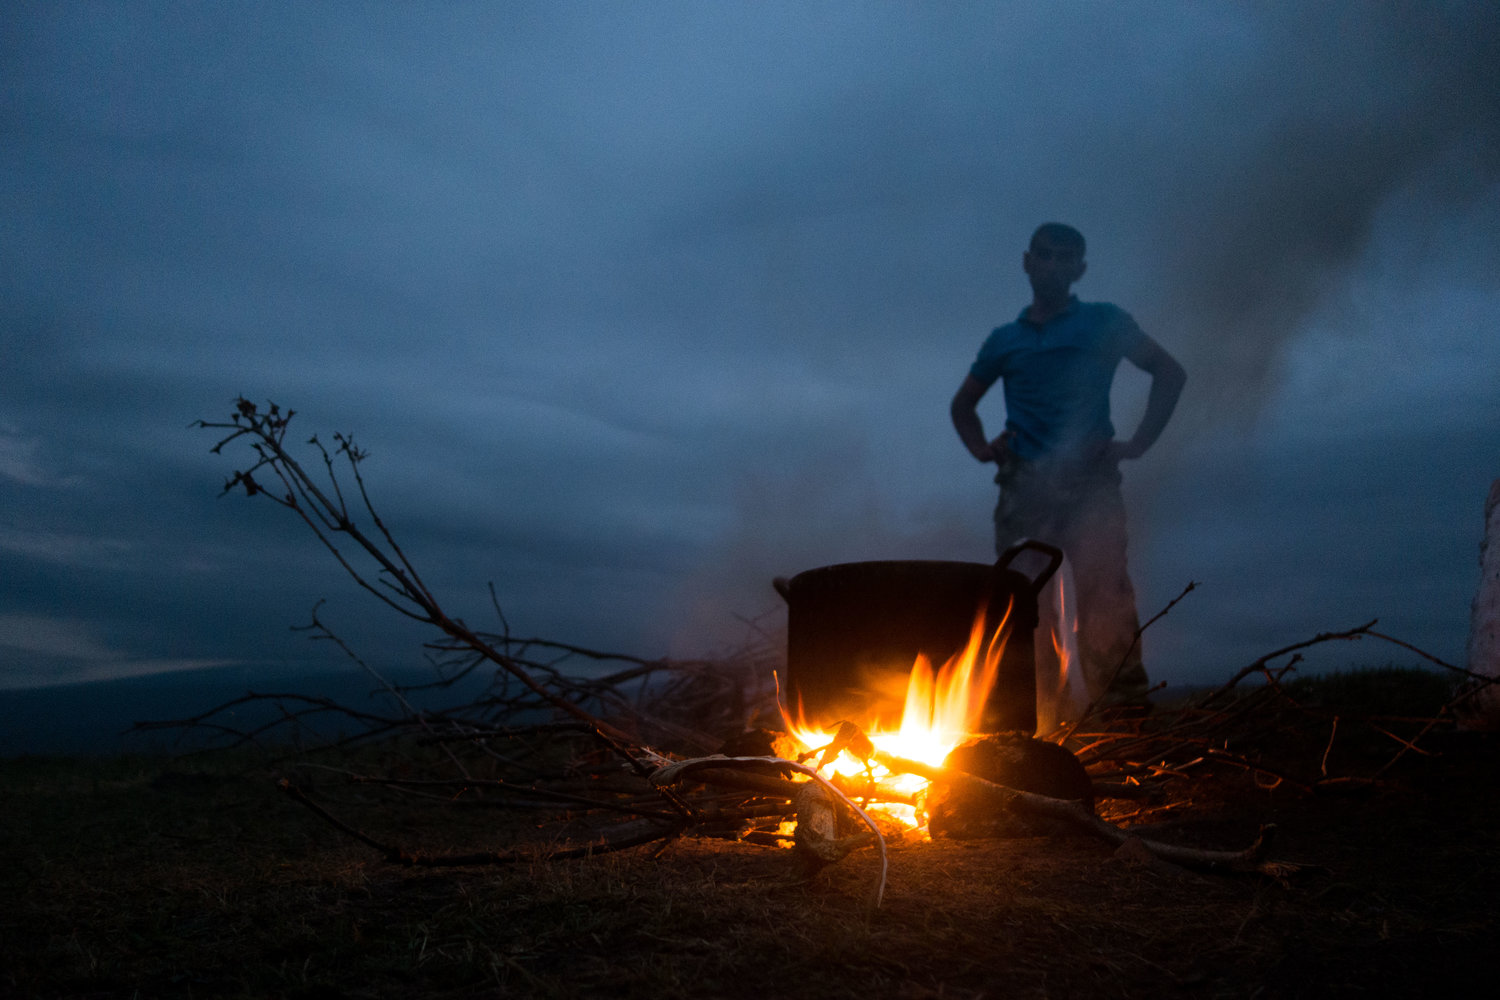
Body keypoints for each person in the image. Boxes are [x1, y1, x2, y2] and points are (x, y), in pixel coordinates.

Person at [950, 223, 1186, 710]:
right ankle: (1037, 723)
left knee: (1106, 601)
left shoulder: (1104, 322)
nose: (1053, 265)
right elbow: (962, 405)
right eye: (1045, 254)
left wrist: (1138, 443)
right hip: (1024, 489)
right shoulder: (1005, 341)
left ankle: (1124, 724)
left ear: (1080, 269)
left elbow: (1169, 372)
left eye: (1065, 257)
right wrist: (982, 449)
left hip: (1090, 486)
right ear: (1028, 261)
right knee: (1023, 607)